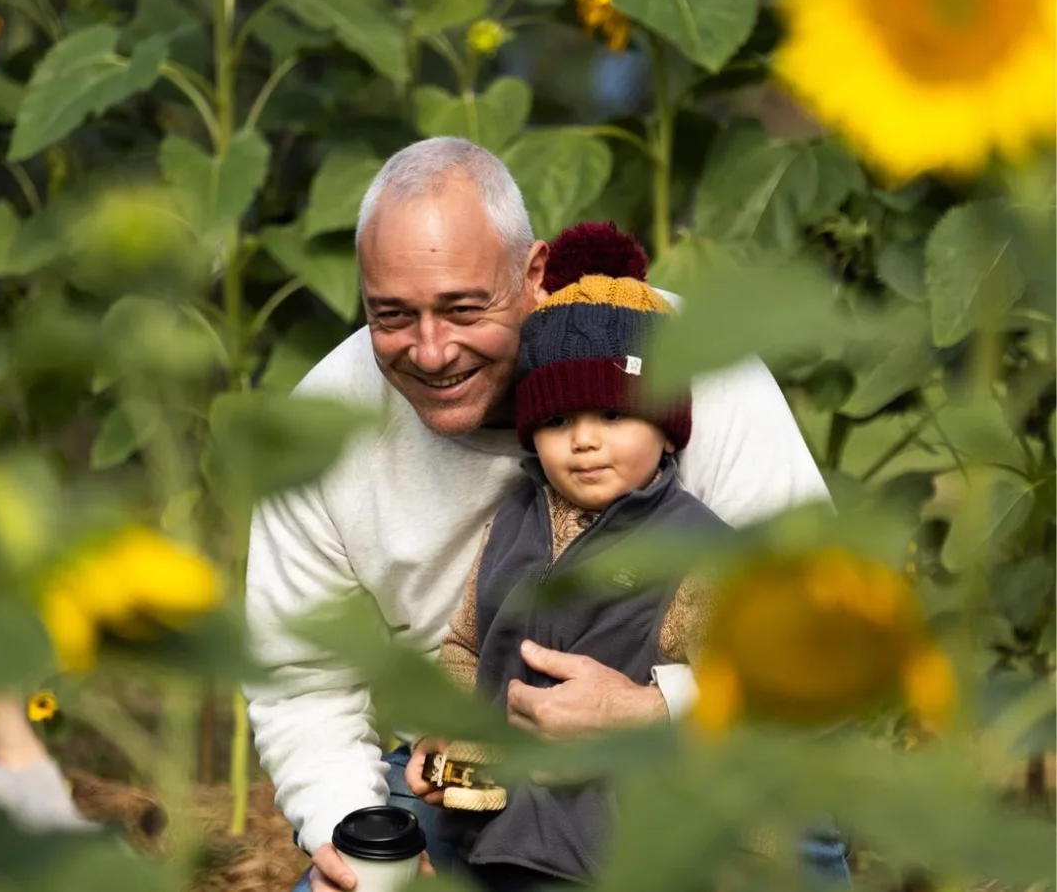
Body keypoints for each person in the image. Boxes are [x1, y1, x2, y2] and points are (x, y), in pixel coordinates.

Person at [243, 137, 834, 892]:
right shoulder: (325, 427)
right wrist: (357, 839)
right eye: (392, 315)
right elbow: (303, 683)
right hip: (464, 785)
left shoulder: (678, 362)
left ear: (532, 272)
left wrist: (657, 711)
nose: (430, 351)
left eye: (463, 308)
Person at [410, 221, 730, 889]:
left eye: (612, 417)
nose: (582, 441)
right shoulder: (514, 521)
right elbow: (466, 643)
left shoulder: (693, 548)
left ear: (667, 430)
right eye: (557, 421)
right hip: (489, 828)